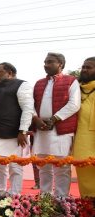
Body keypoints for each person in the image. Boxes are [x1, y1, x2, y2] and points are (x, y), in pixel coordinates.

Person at [32, 52, 81, 197]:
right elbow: (31, 104)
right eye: (45, 62)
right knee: (43, 166)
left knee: (62, 167)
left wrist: (54, 119)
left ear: (60, 64)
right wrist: (36, 119)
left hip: (61, 130)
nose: (46, 65)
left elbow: (74, 104)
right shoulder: (39, 83)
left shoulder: (71, 81)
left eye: (50, 62)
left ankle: (61, 199)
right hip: (41, 130)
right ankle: (45, 197)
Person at [0, 62, 34, 194]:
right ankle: (0, 193)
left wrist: (23, 131)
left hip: (14, 134)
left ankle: (14, 195)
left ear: (10, 73)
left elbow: (28, 109)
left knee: (15, 166)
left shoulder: (22, 85)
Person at [73, 57, 95, 197]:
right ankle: (88, 210)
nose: (85, 70)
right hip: (82, 140)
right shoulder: (75, 89)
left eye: (89, 67)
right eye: (83, 67)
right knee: (84, 171)